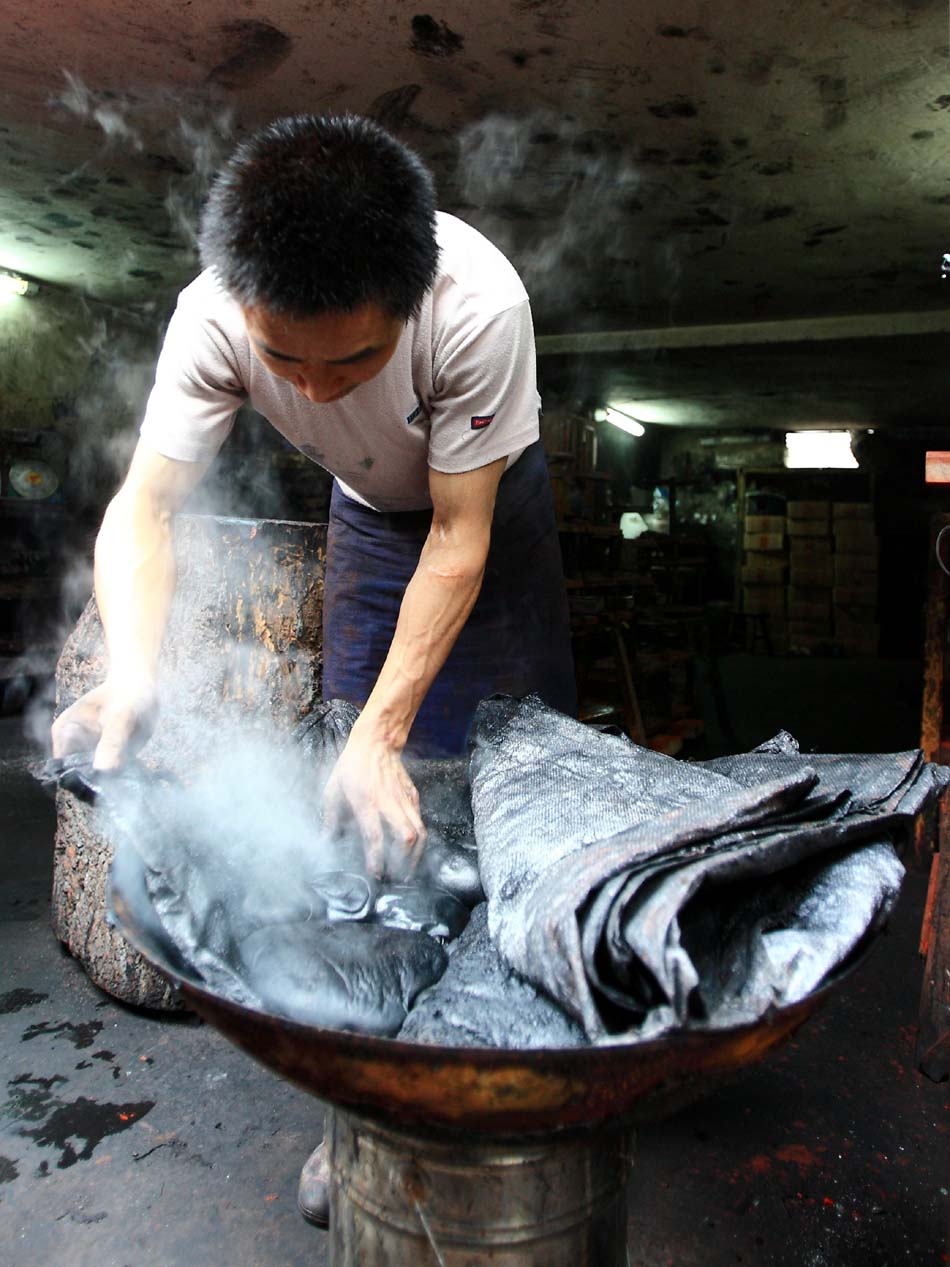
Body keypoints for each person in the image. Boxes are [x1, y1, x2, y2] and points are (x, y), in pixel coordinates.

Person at [50, 113, 576, 1226]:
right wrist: (135, 671)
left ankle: (511, 1094)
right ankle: (362, 1114)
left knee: (502, 796)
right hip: (367, 522)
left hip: (483, 517)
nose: (319, 388)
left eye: (357, 358)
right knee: (353, 820)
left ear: (411, 301)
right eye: (284, 359)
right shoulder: (208, 317)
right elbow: (142, 509)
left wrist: (387, 734)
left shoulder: (478, 302)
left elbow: (458, 537)